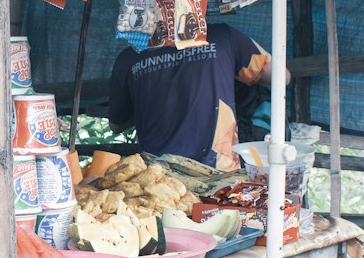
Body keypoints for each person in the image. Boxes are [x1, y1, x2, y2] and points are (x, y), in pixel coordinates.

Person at [108, 20, 284, 168]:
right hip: (218, 172)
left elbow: (117, 125)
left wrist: (148, 97)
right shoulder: (223, 36)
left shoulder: (129, 57)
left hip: (158, 177)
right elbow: (282, 77)